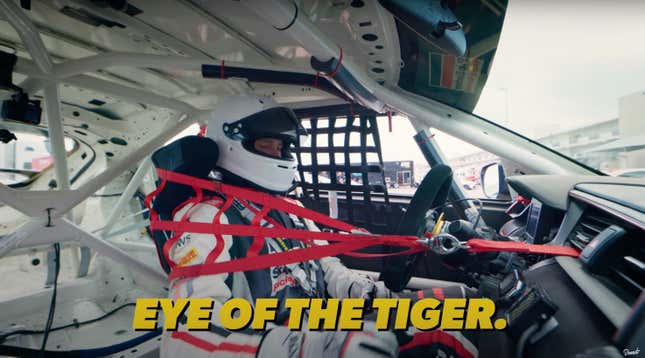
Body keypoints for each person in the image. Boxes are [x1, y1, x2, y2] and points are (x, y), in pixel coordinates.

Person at [160, 95, 478, 358]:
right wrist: (325, 349)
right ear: (232, 142)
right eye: (266, 145)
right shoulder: (207, 219)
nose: (279, 154)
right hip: (278, 341)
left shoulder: (290, 209)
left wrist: (372, 297)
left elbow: (323, 267)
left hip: (321, 324)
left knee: (455, 319)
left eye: (283, 147)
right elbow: (185, 340)